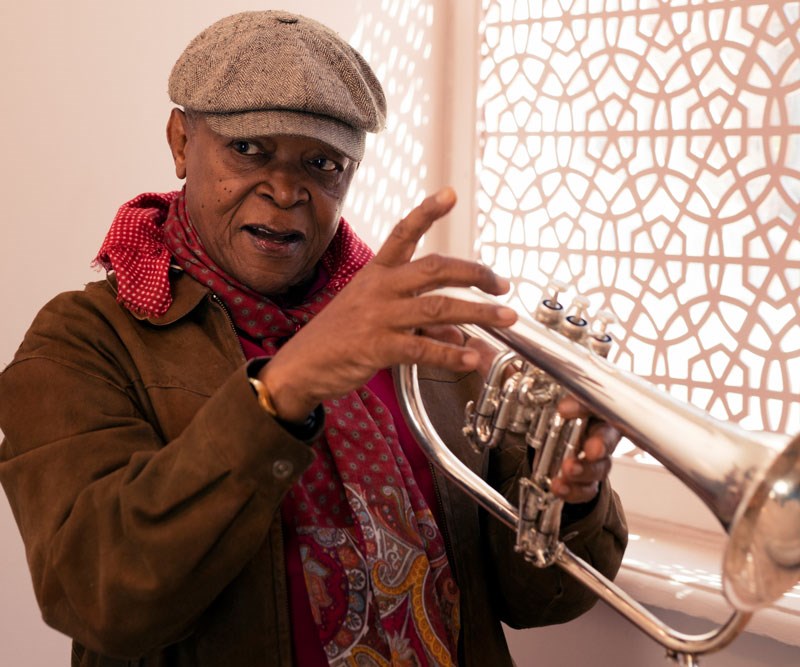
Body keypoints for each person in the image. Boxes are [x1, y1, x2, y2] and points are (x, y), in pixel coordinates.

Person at [0, 10, 626, 667]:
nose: (284, 188)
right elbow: (96, 595)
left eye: (321, 163)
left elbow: (534, 601)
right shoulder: (82, 339)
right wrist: (281, 390)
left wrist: (569, 497)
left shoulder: (420, 339)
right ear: (181, 141)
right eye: (249, 149)